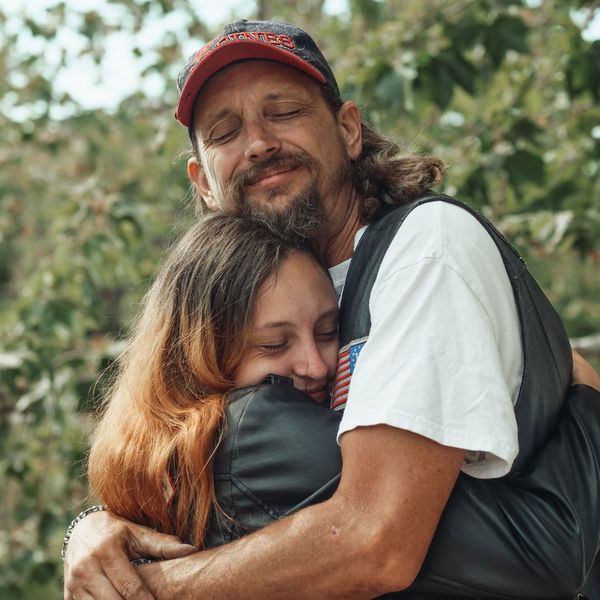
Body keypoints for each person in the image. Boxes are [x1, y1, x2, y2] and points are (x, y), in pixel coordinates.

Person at [63, 19, 600, 599]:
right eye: (225, 131)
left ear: (348, 130)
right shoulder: (280, 301)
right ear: (202, 184)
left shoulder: (421, 251)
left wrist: (151, 588)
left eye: (285, 112)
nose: (259, 142)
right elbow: (188, 432)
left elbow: (375, 542)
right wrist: (97, 526)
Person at [86, 213, 340, 550]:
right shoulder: (252, 424)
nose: (316, 366)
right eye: (274, 345)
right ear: (202, 350)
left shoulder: (162, 454)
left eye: (328, 332)